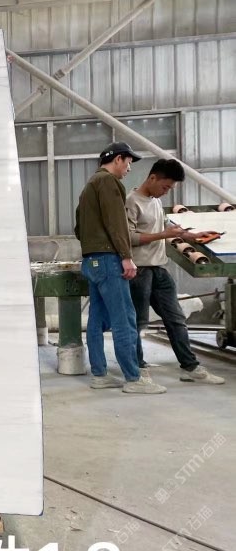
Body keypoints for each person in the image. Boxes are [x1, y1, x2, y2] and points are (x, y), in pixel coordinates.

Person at [75, 142, 166, 394]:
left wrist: (93, 247)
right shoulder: (109, 182)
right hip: (108, 260)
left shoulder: (89, 185)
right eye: (128, 162)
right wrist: (126, 256)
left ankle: (100, 374)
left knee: (96, 319)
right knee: (124, 317)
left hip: (91, 261)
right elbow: (117, 223)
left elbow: (78, 228)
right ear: (118, 159)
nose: (129, 168)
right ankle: (133, 378)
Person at [125, 158, 225, 385]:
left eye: (170, 188)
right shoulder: (132, 202)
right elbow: (129, 238)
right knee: (138, 322)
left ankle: (190, 367)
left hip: (158, 269)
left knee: (176, 318)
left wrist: (192, 236)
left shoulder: (155, 201)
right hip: (139, 271)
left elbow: (165, 227)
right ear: (152, 178)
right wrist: (164, 235)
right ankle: (137, 368)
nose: (166, 192)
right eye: (165, 187)